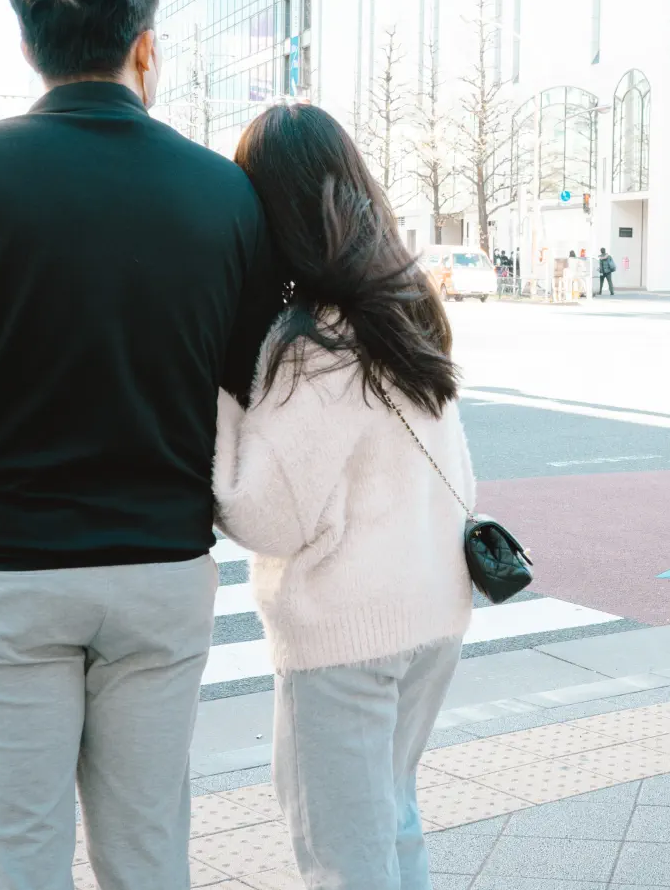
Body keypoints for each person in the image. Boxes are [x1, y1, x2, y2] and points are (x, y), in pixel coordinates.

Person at [0, 0, 274, 889]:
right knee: (147, 853)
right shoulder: (223, 191)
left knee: (19, 861)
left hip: (3, 567)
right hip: (161, 571)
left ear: (27, 48)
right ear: (145, 46)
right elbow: (244, 377)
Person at [214, 103, 474, 889]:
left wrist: (219, 401)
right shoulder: (405, 307)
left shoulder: (316, 342)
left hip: (349, 633)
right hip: (433, 612)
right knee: (393, 826)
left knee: (343, 858)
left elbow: (265, 514)